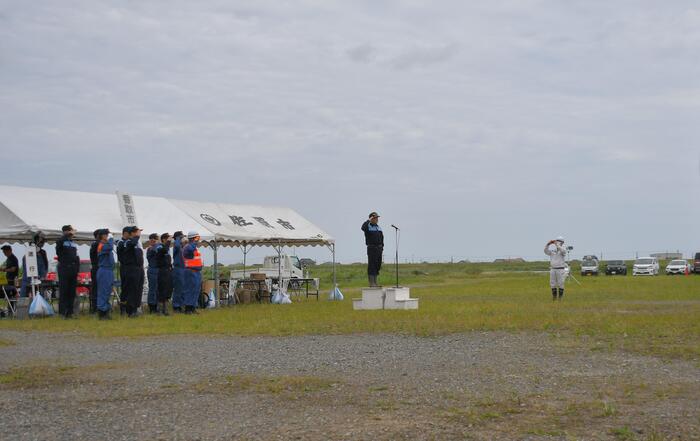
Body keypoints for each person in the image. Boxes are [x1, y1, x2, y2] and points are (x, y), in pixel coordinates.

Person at [118, 226, 144, 317]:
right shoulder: (125, 242)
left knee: (138, 288)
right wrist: (136, 237)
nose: (138, 234)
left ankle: (135, 308)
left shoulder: (136, 242)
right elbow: (131, 245)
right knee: (129, 289)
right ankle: (128, 310)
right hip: (129, 268)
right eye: (136, 232)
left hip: (138, 268)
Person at [56, 225, 80, 318]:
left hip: (73, 270)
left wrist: (77, 270)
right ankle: (63, 312)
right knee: (64, 291)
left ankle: (70, 312)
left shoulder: (73, 243)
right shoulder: (61, 241)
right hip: (64, 268)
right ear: (65, 232)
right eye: (70, 231)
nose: (72, 233)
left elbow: (77, 257)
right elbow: (59, 244)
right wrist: (67, 234)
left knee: (71, 292)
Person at [20, 232, 49, 297]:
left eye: (43, 242)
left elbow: (45, 266)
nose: (42, 244)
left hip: (39, 282)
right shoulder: (27, 256)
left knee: (40, 298)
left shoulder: (42, 253)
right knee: (25, 299)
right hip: (28, 282)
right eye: (41, 242)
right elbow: (28, 270)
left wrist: (43, 277)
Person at [96, 229, 115, 320]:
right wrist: (111, 238)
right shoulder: (101, 245)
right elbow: (110, 247)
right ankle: (102, 313)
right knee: (103, 292)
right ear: (103, 236)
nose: (108, 236)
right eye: (107, 234)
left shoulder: (106, 245)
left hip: (109, 270)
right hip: (104, 270)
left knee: (107, 292)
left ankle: (106, 311)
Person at [361, 212, 384, 287]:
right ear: (371, 218)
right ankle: (371, 283)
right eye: (375, 218)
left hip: (379, 249)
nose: (377, 219)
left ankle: (375, 282)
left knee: (378, 265)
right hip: (372, 248)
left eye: (377, 218)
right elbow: (363, 228)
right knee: (372, 265)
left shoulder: (378, 227)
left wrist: (382, 247)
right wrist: (369, 220)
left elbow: (382, 238)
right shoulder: (367, 227)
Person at [182, 231, 203, 314]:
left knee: (196, 290)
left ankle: (193, 307)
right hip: (190, 271)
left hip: (197, 272)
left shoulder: (194, 247)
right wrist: (193, 242)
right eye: (197, 237)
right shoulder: (188, 247)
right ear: (193, 238)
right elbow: (190, 250)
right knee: (190, 290)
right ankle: (188, 308)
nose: (198, 239)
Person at [544, 236, 567, 301]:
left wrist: (557, 245)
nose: (557, 242)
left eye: (559, 241)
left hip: (560, 269)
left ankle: (560, 298)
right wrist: (548, 244)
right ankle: (554, 297)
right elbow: (546, 251)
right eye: (557, 241)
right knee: (552, 283)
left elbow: (563, 252)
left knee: (560, 283)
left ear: (562, 242)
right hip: (553, 269)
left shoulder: (563, 249)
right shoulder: (553, 251)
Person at [155, 233, 173, 316]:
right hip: (162, 271)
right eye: (167, 239)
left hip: (168, 271)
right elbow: (163, 251)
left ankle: (165, 310)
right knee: (162, 289)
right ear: (163, 239)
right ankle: (159, 310)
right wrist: (168, 242)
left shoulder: (167, 248)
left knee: (167, 289)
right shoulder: (159, 246)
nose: (169, 241)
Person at [116, 227, 131, 315]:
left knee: (130, 288)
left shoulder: (128, 242)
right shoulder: (121, 242)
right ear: (125, 233)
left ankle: (129, 308)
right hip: (124, 267)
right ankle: (123, 309)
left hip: (130, 267)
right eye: (129, 233)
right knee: (125, 288)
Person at [171, 231, 186, 313]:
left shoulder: (181, 247)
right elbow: (176, 245)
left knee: (183, 288)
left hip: (183, 269)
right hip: (178, 269)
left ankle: (181, 305)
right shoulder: (176, 246)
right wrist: (177, 238)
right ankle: (176, 306)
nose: (182, 239)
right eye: (181, 237)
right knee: (178, 289)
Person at [1, 245, 19, 313]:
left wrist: (4, 269)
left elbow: (13, 269)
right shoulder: (8, 258)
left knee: (11, 296)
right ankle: (10, 310)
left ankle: (11, 311)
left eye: (5, 252)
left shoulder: (13, 258)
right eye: (3, 252)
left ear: (9, 251)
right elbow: (8, 267)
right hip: (8, 280)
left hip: (12, 280)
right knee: (9, 296)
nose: (4, 253)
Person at [145, 233, 160, 313]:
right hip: (153, 269)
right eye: (153, 239)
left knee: (157, 289)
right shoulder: (150, 249)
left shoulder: (156, 247)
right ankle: (152, 306)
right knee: (153, 289)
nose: (154, 241)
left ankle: (156, 305)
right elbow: (156, 250)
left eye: (155, 239)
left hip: (158, 270)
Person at [88, 229, 100, 313]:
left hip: (100, 269)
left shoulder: (98, 244)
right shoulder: (95, 244)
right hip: (96, 269)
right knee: (96, 289)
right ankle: (95, 309)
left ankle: (99, 307)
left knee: (101, 289)